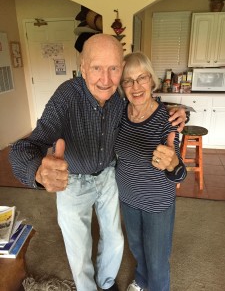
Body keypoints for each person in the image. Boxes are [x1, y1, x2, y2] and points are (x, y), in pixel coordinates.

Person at [9, 34, 186, 291]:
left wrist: (179, 110)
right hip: (73, 182)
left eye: (114, 69)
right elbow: (27, 145)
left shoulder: (119, 98)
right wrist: (37, 172)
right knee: (79, 249)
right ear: (83, 68)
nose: (106, 79)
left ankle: (106, 283)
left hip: (107, 177)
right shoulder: (67, 96)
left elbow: (145, 102)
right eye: (97, 68)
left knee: (115, 239)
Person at [115, 52, 187, 291]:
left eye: (142, 78)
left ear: (151, 81)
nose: (136, 87)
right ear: (122, 86)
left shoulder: (168, 119)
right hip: (127, 197)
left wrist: (172, 164)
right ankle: (142, 281)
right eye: (128, 80)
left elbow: (179, 174)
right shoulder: (119, 113)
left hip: (157, 202)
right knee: (136, 247)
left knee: (157, 258)